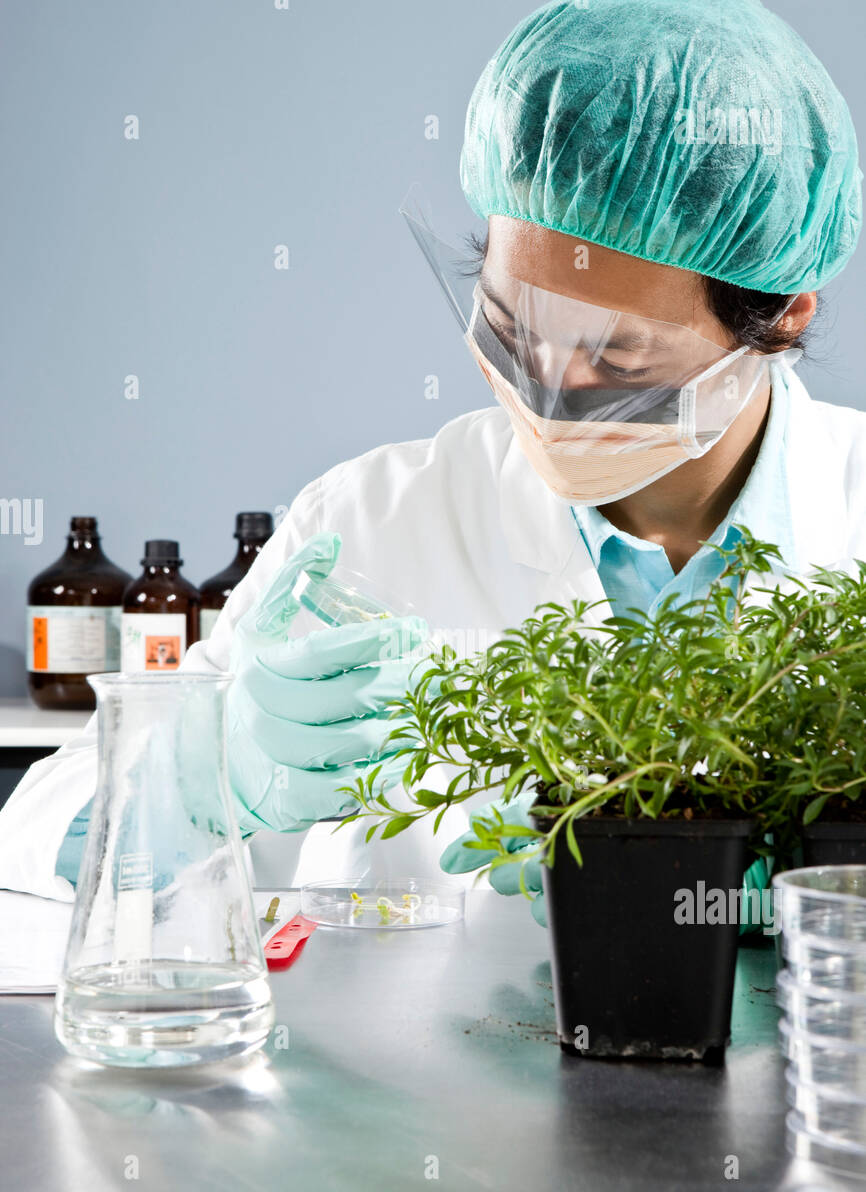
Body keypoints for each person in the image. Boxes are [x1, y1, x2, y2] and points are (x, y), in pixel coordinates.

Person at [1, 0, 864, 927]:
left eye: (617, 359)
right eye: (511, 322)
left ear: (782, 319)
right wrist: (209, 778)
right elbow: (31, 841)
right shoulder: (368, 519)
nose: (546, 386)